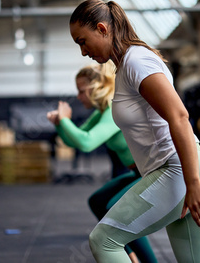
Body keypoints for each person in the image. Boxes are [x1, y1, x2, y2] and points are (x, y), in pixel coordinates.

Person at [69, 0, 200, 263]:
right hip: (181, 173)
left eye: (83, 41)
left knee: (104, 241)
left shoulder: (136, 61)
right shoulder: (126, 65)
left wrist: (192, 183)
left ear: (103, 29)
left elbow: (180, 117)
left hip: (180, 173)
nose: (83, 51)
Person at [47, 63, 157, 263]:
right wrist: (60, 124)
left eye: (82, 92)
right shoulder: (102, 111)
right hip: (137, 173)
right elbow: (76, 140)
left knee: (119, 209)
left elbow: (87, 143)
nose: (79, 97)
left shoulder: (114, 107)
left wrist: (64, 120)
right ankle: (130, 255)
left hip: (153, 172)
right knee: (98, 201)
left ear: (96, 88)